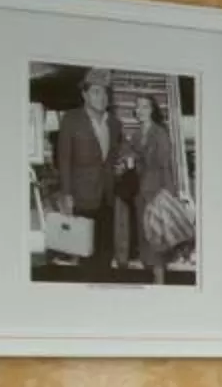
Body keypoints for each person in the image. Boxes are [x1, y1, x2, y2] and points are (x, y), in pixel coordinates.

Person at [48, 68, 128, 278]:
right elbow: (63, 159)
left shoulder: (114, 123)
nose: (101, 97)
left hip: (107, 196)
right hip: (81, 196)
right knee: (85, 252)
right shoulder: (71, 119)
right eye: (95, 92)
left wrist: (119, 167)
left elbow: (113, 157)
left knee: (105, 252)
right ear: (84, 94)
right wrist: (66, 194)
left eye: (104, 92)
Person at [130, 89, 193, 284]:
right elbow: (138, 166)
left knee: (157, 243)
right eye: (138, 106)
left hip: (157, 193)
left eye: (145, 106)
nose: (140, 110)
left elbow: (166, 166)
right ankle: (153, 282)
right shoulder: (136, 135)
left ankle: (160, 285)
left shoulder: (160, 133)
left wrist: (170, 194)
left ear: (152, 110)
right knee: (146, 241)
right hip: (141, 194)